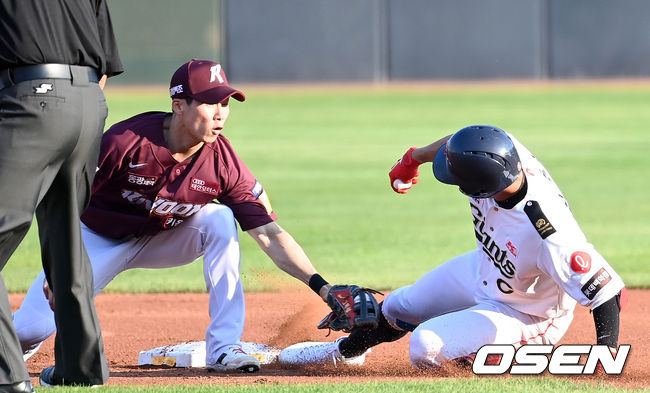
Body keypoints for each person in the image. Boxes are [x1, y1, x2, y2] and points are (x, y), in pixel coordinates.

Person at [12, 59, 354, 375]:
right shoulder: (125, 142)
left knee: (219, 219)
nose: (220, 114)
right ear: (179, 105)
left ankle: (223, 348)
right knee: (30, 330)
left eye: (226, 103)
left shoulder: (222, 162)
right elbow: (64, 200)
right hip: (97, 238)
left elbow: (268, 233)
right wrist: (60, 261)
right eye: (210, 103)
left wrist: (323, 287)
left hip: (165, 239)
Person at [278, 125, 626, 369]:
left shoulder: (550, 235)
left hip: (528, 312)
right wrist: (413, 157)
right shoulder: (503, 149)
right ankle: (346, 352)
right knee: (399, 305)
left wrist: (605, 357)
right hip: (488, 267)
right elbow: (464, 140)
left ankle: (506, 359)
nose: (449, 174)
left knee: (425, 348)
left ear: (480, 188)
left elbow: (606, 291)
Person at [0, 0, 123, 390]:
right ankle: (81, 369)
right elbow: (105, 64)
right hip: (89, 104)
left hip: (32, 99)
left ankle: (8, 377)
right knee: (68, 242)